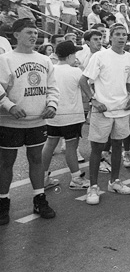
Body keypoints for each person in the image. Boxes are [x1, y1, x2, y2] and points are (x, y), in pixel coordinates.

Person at [0, 19, 59, 225]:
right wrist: (9, 106)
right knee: (6, 162)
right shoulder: (5, 59)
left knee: (36, 159)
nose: (33, 36)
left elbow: (52, 87)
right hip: (10, 122)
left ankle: (39, 198)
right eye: (28, 32)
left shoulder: (44, 60)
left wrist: (52, 105)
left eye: (35, 32)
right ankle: (3, 202)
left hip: (37, 121)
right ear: (16, 35)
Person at [79, 23, 130, 205]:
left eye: (124, 35)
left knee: (118, 146)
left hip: (121, 110)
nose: (121, 38)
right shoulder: (100, 56)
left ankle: (115, 182)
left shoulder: (129, 57)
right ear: (110, 37)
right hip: (102, 110)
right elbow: (83, 81)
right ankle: (93, 186)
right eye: (118, 34)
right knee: (97, 149)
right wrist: (93, 100)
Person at [40, 40, 90, 190]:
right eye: (74, 53)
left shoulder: (51, 69)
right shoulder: (76, 71)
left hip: (53, 114)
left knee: (50, 144)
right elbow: (85, 87)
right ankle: (76, 178)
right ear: (69, 56)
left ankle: (42, 177)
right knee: (71, 147)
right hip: (72, 115)